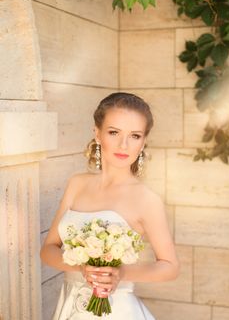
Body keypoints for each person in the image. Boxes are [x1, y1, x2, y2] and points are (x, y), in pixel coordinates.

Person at [40, 92, 180, 319]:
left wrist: (120, 272)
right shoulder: (77, 184)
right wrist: (82, 268)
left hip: (117, 311)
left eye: (135, 136)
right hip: (70, 306)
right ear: (97, 133)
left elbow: (170, 267)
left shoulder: (146, 199)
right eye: (114, 132)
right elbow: (48, 250)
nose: (123, 144)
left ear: (143, 141)